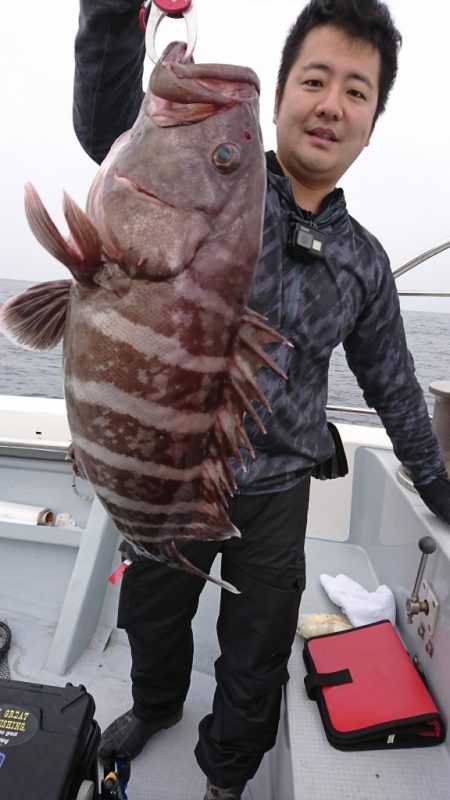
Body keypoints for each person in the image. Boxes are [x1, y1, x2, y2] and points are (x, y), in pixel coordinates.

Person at [73, 1, 450, 798]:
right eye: (314, 80)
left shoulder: (364, 262)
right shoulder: (216, 184)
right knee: (152, 616)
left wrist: (437, 480)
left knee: (259, 650)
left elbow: (391, 383)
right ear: (277, 100)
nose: (331, 105)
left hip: (276, 492)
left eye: (356, 91)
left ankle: (226, 775)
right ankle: (155, 704)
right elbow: (113, 131)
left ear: (371, 125)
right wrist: (111, 19)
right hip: (172, 474)